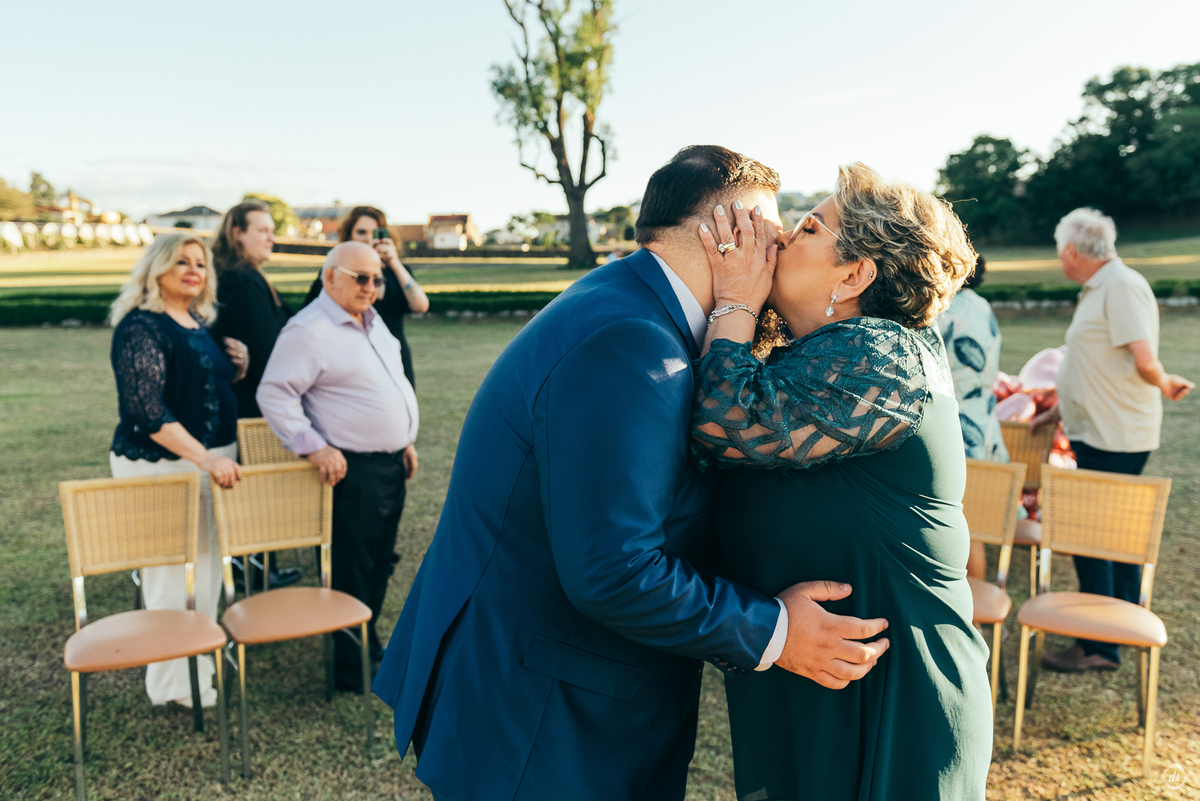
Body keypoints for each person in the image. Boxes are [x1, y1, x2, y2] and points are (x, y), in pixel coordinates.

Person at [373, 146, 891, 801]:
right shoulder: (631, 341)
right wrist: (777, 633)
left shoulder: (636, 306)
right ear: (724, 233)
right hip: (543, 714)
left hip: (554, 679)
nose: (782, 246)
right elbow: (614, 569)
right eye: (770, 230)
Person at [691, 163, 992, 800]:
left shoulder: (885, 353)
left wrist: (736, 303)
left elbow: (722, 422)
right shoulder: (823, 355)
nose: (776, 240)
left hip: (893, 688)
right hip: (815, 671)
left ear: (855, 276)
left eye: (806, 229)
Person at [1032, 208, 1192, 673]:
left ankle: (1099, 644)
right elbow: (1097, 362)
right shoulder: (1100, 288)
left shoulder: (1120, 286)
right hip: (1096, 430)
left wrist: (1164, 382)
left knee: (1095, 537)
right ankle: (1113, 631)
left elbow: (1143, 358)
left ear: (1071, 251)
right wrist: (1058, 411)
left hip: (1116, 434)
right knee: (1109, 537)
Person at [257, 241, 419, 692]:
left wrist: (403, 439)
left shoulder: (371, 321)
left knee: (381, 561)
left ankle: (367, 642)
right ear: (330, 277)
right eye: (361, 277)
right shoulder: (308, 330)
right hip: (353, 471)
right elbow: (274, 393)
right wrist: (314, 447)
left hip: (389, 464)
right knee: (353, 565)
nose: (371, 287)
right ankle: (351, 667)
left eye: (378, 279)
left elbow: (389, 381)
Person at [108, 233, 246, 708]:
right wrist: (206, 457)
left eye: (201, 264)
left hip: (209, 461)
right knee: (171, 575)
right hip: (162, 467)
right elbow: (147, 410)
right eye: (181, 261)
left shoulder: (195, 322)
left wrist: (236, 368)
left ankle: (197, 663)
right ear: (157, 267)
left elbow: (197, 384)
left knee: (206, 570)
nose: (193, 270)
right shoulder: (140, 327)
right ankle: (172, 684)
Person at [208, 200, 301, 590]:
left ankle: (260, 569)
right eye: (261, 229)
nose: (271, 237)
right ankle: (255, 574)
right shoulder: (238, 280)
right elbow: (267, 346)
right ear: (237, 233)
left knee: (258, 488)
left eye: (271, 229)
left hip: (253, 399)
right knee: (256, 490)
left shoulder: (250, 276)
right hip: (250, 404)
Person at [937, 254, 1011, 579]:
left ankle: (972, 618)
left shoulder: (942, 309)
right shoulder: (982, 305)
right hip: (983, 418)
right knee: (975, 525)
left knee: (961, 527)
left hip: (957, 424)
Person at [302, 206, 429, 387]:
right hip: (352, 359)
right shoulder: (337, 272)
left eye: (375, 233)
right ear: (349, 236)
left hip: (395, 357)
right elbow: (310, 312)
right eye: (361, 232)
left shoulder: (397, 272)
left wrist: (394, 263)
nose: (368, 238)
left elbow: (421, 306)